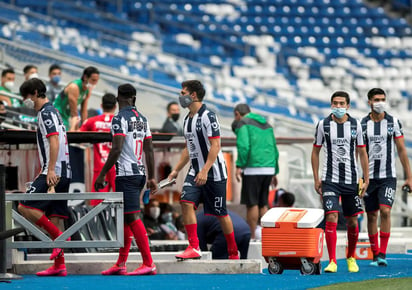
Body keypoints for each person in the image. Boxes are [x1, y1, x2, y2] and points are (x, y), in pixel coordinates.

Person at [168, 80, 239, 260]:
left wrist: (205, 170)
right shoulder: (186, 120)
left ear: (193, 95)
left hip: (213, 172)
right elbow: (188, 147)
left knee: (220, 213)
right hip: (195, 170)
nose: (180, 96)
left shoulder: (208, 116)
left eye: (183, 92)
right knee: (185, 202)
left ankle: (233, 252)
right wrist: (176, 170)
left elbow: (216, 145)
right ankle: (194, 247)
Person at [94, 83, 157, 276]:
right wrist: (152, 177)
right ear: (135, 99)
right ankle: (121, 263)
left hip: (126, 175)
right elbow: (149, 149)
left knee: (132, 217)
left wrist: (103, 174)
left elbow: (116, 149)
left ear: (118, 98)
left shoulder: (119, 118)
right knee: (126, 219)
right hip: (139, 173)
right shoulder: (143, 119)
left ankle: (148, 262)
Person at [17, 78, 71, 276]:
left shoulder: (46, 112)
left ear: (36, 92)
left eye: (27, 96)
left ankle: (59, 238)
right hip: (65, 170)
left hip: (54, 170)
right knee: (56, 217)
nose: (26, 101)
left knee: (24, 206)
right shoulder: (54, 111)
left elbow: (54, 140)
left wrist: (49, 170)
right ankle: (60, 266)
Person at [311, 91, 369, 273]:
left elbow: (362, 152)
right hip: (330, 180)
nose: (338, 106)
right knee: (332, 216)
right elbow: (315, 151)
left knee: (352, 221)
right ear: (331, 105)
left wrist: (365, 178)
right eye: (335, 103)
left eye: (341, 103)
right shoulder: (323, 125)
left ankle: (351, 257)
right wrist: (316, 177)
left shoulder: (356, 125)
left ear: (348, 106)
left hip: (351, 180)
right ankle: (333, 261)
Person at [361, 88, 412, 267]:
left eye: (383, 99)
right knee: (371, 215)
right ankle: (375, 253)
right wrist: (359, 179)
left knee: (386, 211)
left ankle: (382, 253)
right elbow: (358, 152)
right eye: (376, 99)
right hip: (368, 178)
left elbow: (401, 149)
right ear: (369, 102)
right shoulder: (362, 125)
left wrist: (409, 177)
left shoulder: (393, 122)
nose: (380, 102)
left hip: (388, 176)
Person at [232, 103, 279, 240]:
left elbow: (244, 146)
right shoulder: (267, 125)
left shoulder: (243, 123)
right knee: (263, 203)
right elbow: (274, 149)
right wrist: (275, 171)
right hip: (269, 167)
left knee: (252, 203)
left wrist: (239, 165)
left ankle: (252, 236)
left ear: (237, 114)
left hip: (252, 167)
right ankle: (266, 236)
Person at [80, 93, 117, 206]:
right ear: (115, 106)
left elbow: (78, 136)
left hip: (101, 167)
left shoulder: (92, 121)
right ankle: (120, 224)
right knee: (123, 203)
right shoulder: (121, 121)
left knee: (97, 205)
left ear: (101, 105)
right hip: (118, 167)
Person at [53, 66, 100, 131]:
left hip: (65, 117)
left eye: (97, 81)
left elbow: (83, 111)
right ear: (85, 77)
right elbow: (74, 112)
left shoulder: (88, 90)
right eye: (93, 80)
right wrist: (76, 129)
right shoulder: (74, 87)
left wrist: (84, 127)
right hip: (56, 113)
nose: (95, 83)